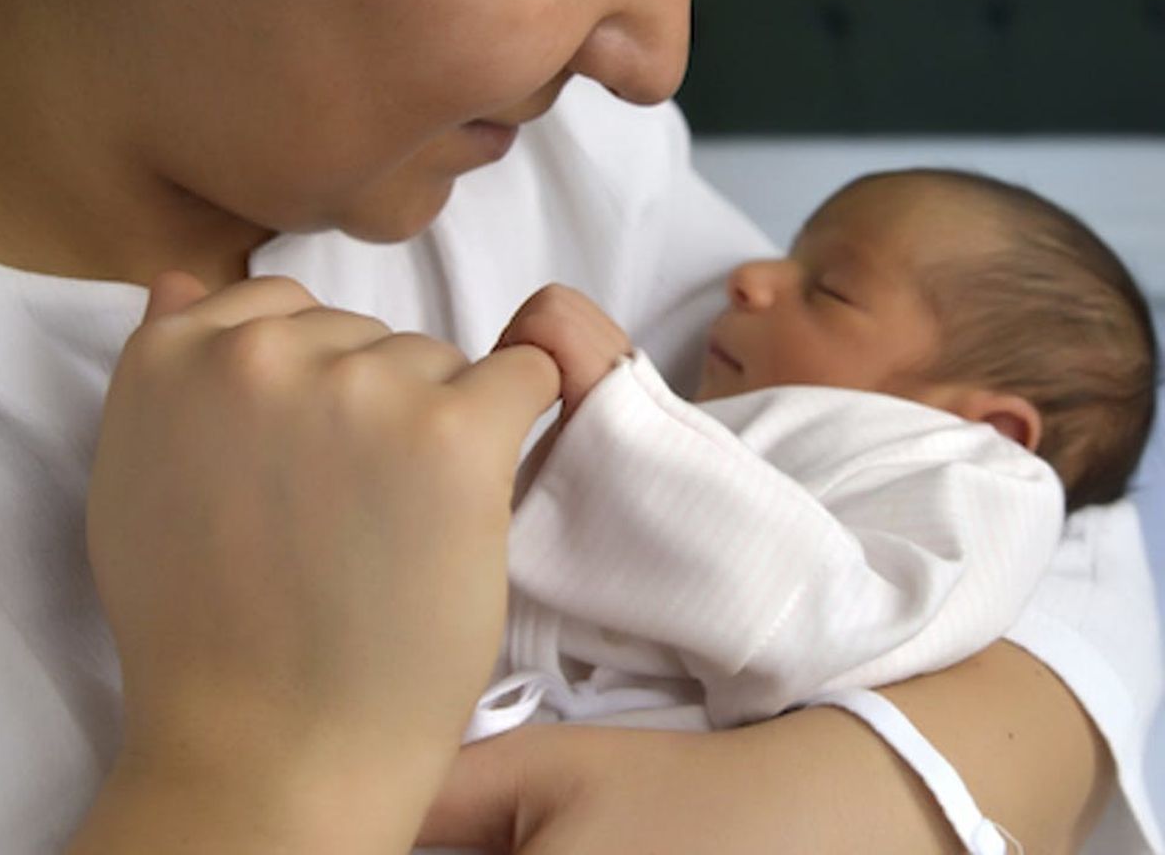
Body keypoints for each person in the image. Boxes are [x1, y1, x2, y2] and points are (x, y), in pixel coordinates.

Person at [0, 0, 1158, 854]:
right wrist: (255, 771)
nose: (658, 62)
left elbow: (1039, 509)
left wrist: (848, 796)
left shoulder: (552, 161)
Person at [456, 167, 1156, 747]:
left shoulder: (990, 484)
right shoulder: (817, 447)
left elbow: (837, 625)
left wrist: (623, 417)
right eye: (791, 254)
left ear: (987, 427)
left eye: (829, 290)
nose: (750, 276)